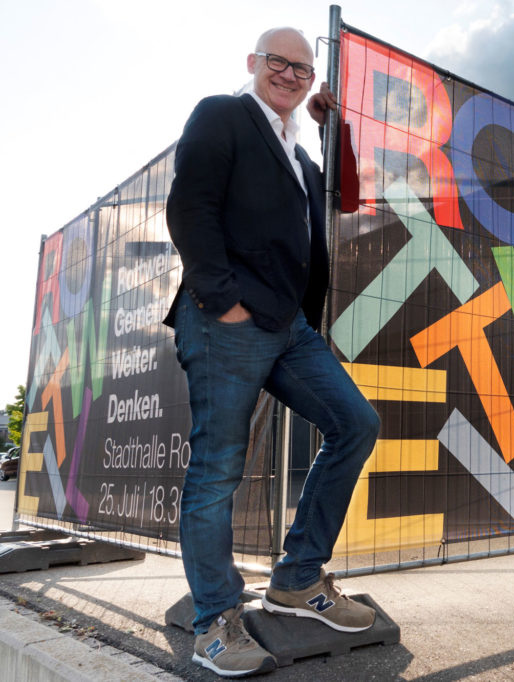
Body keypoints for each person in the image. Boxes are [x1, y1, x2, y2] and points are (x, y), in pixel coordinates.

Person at [163, 27, 380, 677]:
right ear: (253, 63)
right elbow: (190, 205)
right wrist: (221, 299)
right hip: (226, 321)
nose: (290, 74)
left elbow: (348, 196)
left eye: (302, 69)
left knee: (357, 424)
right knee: (218, 471)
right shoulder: (223, 114)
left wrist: (330, 123)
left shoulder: (298, 154)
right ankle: (215, 621)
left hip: (290, 329)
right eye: (278, 63)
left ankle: (296, 578)